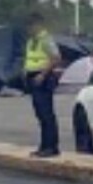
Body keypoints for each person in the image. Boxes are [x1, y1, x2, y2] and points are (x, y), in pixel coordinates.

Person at [23, 14, 62, 158]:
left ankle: (51, 147)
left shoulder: (45, 40)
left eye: (30, 25)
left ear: (37, 25)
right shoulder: (31, 41)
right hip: (33, 77)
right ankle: (44, 146)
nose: (29, 29)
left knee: (46, 114)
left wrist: (43, 74)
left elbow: (56, 58)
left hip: (43, 78)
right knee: (40, 114)